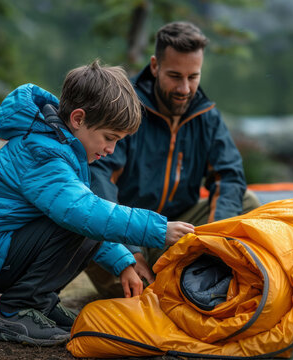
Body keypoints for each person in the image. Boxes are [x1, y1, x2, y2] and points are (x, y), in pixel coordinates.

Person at [0, 60, 194, 346]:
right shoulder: (43, 153)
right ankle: (17, 312)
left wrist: (123, 262)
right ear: (78, 119)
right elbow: (83, 213)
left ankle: (39, 303)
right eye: (109, 138)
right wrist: (158, 229)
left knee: (86, 219)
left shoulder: (58, 145)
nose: (110, 150)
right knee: (81, 219)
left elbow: (85, 215)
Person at [86, 22, 260, 296]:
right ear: (155, 66)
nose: (185, 88)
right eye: (175, 76)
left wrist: (213, 246)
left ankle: (199, 273)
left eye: (193, 77)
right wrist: (129, 253)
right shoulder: (126, 106)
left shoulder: (206, 116)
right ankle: (176, 285)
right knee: (139, 290)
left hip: (178, 229)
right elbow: (98, 178)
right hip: (128, 232)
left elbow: (228, 177)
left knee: (248, 202)